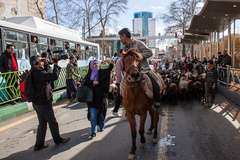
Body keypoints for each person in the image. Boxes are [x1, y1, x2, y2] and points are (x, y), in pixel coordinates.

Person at [118, 28, 165, 116]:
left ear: (124, 36)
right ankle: (127, 107)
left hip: (143, 70)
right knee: (120, 89)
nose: (120, 39)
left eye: (120, 37)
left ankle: (158, 105)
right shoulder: (125, 48)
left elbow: (149, 52)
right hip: (130, 72)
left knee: (156, 85)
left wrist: (138, 56)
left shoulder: (138, 43)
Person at [29, 55, 70, 151]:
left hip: (37, 103)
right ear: (35, 63)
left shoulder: (34, 72)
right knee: (52, 121)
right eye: (39, 61)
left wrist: (46, 64)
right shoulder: (39, 73)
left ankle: (39, 144)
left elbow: (46, 74)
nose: (41, 62)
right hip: (44, 102)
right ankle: (58, 139)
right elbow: (54, 76)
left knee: (42, 123)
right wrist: (56, 64)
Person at [84, 60, 114, 139]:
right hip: (92, 98)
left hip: (100, 97)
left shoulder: (101, 72)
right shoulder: (89, 74)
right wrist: (93, 82)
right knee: (93, 115)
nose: (96, 65)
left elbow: (108, 71)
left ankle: (101, 125)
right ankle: (93, 131)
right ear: (91, 65)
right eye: (94, 64)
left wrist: (111, 64)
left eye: (97, 63)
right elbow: (84, 82)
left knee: (101, 113)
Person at [112, 49, 124, 117]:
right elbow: (118, 73)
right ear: (120, 54)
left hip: (124, 81)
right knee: (121, 97)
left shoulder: (124, 60)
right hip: (120, 82)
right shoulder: (119, 61)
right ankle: (116, 110)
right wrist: (123, 81)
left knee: (121, 98)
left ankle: (115, 110)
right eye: (123, 53)